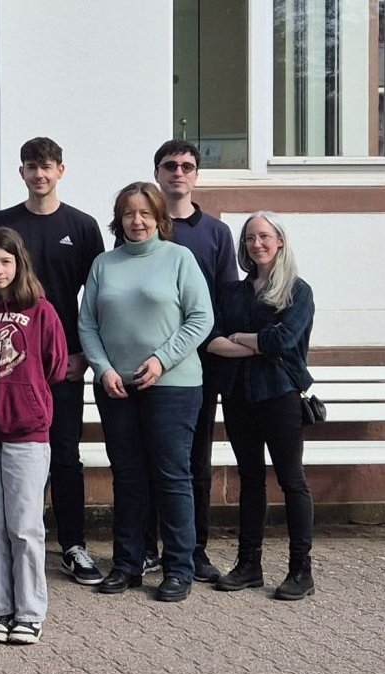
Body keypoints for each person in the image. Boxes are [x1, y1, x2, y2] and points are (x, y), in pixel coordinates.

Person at [79, 182, 212, 602]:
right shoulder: (104, 264)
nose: (136, 221)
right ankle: (126, 564)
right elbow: (87, 324)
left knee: (172, 477)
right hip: (117, 387)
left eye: (144, 213)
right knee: (128, 477)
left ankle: (178, 568)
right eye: (128, 213)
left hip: (172, 385)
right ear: (118, 219)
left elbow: (201, 318)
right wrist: (102, 369)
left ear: (159, 217)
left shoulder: (179, 259)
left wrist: (161, 359)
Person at [0, 137, 106, 587]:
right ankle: (13, 542)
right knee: (9, 455)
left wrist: (85, 354)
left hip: (64, 362)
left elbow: (95, 299)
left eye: (47, 166)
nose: (40, 174)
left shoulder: (83, 226)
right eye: (32, 167)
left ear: (61, 170)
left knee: (64, 453)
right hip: (8, 361)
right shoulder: (0, 223)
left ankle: (73, 545)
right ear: (21, 173)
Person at [0, 227, 68, 645]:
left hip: (27, 432)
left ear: (19, 264)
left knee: (24, 527)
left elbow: (56, 367)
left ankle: (29, 612)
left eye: (5, 261)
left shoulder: (41, 311)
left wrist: (27, 398)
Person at [206, 212, 316, 600]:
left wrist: (241, 338)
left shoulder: (297, 291)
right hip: (238, 396)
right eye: (250, 238)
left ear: (280, 241)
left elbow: (283, 342)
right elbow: (213, 341)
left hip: (280, 395)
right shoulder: (233, 293)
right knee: (250, 480)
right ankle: (249, 564)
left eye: (265, 236)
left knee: (292, 480)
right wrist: (253, 340)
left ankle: (301, 570)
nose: (258, 244)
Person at [150, 138, 240, 583]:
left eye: (186, 166)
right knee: (151, 460)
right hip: (146, 364)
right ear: (158, 174)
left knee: (195, 462)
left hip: (196, 367)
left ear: (196, 175)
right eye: (170, 165)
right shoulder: (145, 226)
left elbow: (224, 300)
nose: (178, 172)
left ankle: (194, 550)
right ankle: (148, 548)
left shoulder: (216, 234)